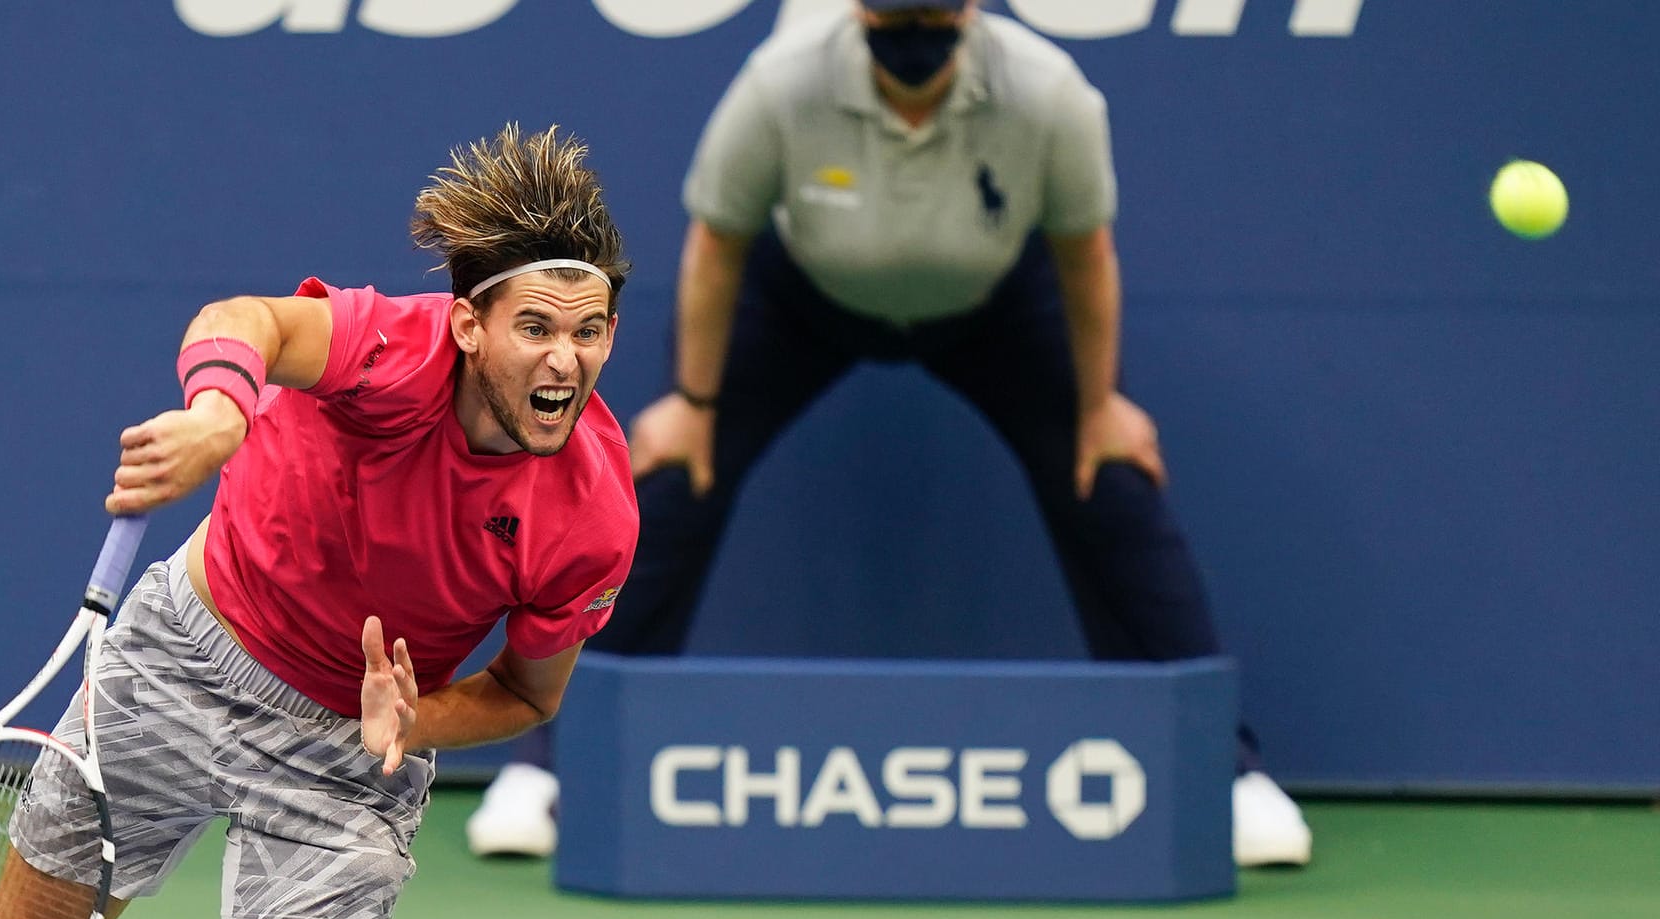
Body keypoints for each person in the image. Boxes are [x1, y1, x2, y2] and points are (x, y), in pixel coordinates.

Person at [466, 0, 1312, 869]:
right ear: (860, 11)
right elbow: (719, 244)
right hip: (801, 297)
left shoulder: (1050, 94)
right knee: (671, 478)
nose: (915, 31)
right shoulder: (783, 84)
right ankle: (549, 763)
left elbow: (1084, 254)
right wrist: (693, 398)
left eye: (934, 12)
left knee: (1114, 477)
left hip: (998, 305)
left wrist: (1099, 408)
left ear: (970, 9)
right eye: (894, 12)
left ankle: (1224, 773)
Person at [0, 124, 638, 919]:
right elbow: (247, 320)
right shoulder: (398, 349)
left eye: (589, 332)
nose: (565, 362)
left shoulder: (592, 516)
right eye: (535, 328)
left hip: (342, 751)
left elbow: (529, 695)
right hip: (183, 660)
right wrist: (219, 417)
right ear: (468, 325)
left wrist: (415, 720)